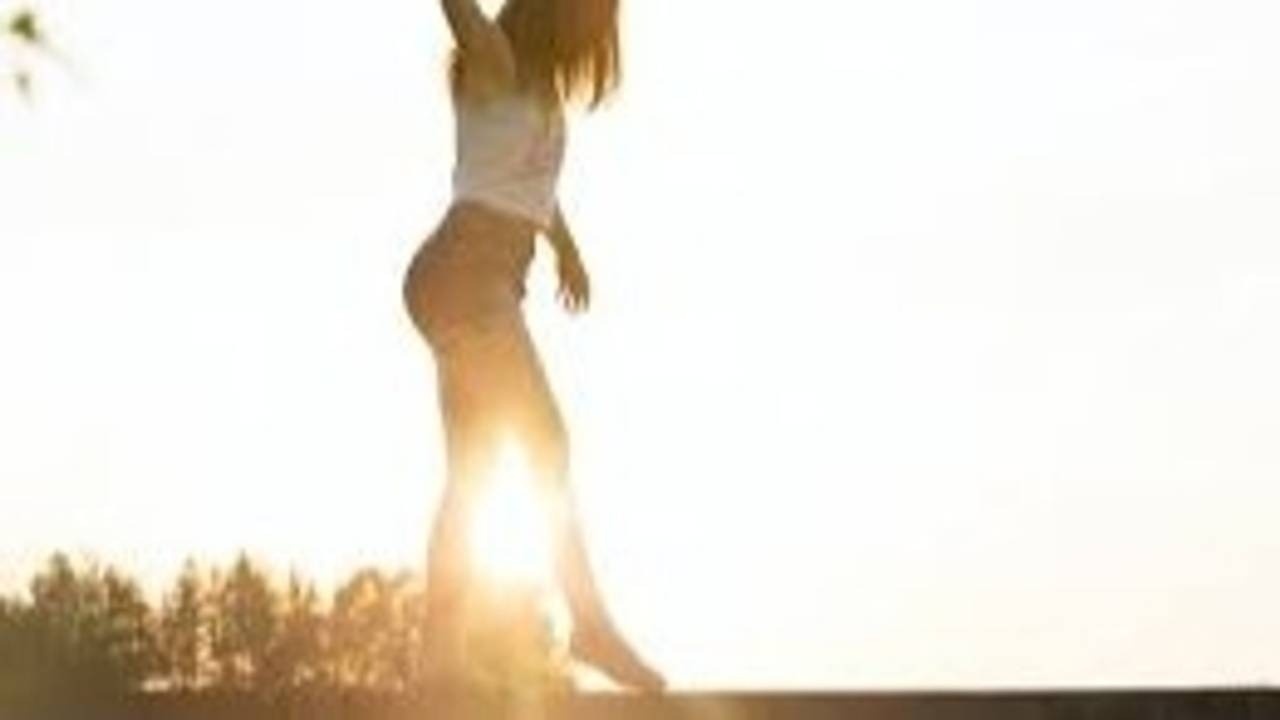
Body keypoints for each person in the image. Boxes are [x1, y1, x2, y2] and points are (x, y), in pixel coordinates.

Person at [401, 0, 665, 693]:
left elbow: (527, 182)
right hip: (464, 272)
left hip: (481, 281)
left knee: (472, 473)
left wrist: (565, 247)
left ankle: (438, 661)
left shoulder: (538, 90)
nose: (591, 49)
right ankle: (589, 623)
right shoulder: (494, 58)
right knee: (546, 438)